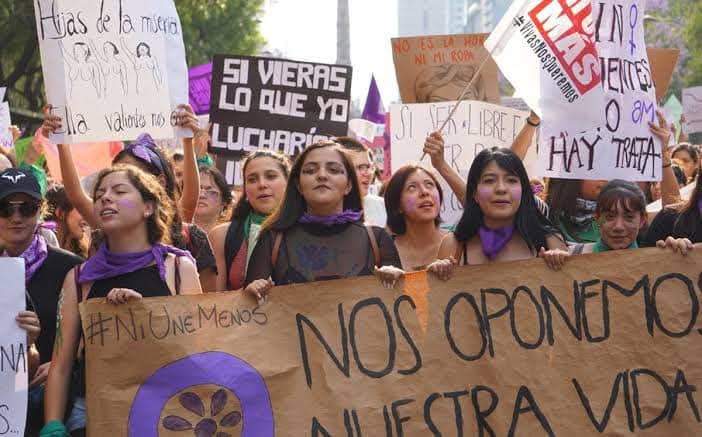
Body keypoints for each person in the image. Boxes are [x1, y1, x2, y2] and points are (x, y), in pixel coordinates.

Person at [41, 166, 202, 437]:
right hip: (95, 416)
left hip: (166, 415)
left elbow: (199, 351)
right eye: (100, 195)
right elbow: (61, 364)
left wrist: (143, 315)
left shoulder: (178, 269)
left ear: (148, 207)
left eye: (119, 191)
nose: (105, 198)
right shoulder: (79, 279)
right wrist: (53, 424)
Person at [43, 106, 217, 291]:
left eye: (124, 186)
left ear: (158, 184)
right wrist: (62, 142)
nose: (108, 197)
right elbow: (77, 196)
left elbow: (190, 198)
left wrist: (187, 141)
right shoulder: (107, 227)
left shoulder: (181, 243)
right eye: (104, 190)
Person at [244, 141, 402, 302]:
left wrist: (397, 279)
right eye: (310, 170)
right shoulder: (273, 240)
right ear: (298, 185)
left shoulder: (377, 239)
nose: (322, 175)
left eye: (333, 170)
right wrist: (253, 291)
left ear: (349, 185)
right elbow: (249, 309)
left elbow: (400, 306)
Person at [0, 168, 83, 434]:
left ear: (41, 210)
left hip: (49, 408)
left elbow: (91, 336)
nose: (16, 217)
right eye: (5, 208)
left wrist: (62, 364)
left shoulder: (71, 269)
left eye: (27, 208)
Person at [437, 147, 566, 265]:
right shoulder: (453, 245)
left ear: (524, 190)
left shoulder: (550, 242)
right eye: (489, 180)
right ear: (474, 193)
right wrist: (437, 273)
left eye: (511, 180)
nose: (501, 189)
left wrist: (558, 268)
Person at [541, 180, 693, 270]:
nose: (619, 226)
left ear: (642, 220)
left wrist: (678, 255)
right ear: (597, 219)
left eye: (629, 217)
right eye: (609, 217)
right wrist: (554, 263)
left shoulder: (658, 258)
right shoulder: (572, 257)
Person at [209, 151, 290, 291]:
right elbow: (215, 301)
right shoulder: (221, 236)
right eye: (252, 180)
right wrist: (244, 296)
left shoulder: (307, 231)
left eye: (271, 176)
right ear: (245, 190)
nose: (262, 184)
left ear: (289, 183)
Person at [384, 164, 452, 279]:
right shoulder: (384, 250)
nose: (424, 192)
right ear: (398, 205)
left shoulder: (458, 244)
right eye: (412, 188)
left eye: (429, 184)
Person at [335, 137, 387, 227]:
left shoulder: (382, 206)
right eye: (360, 167)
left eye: (369, 167)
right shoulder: (322, 208)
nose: (368, 174)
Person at [45, 185, 89, 258]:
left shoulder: (86, 254)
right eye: (80, 209)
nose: (87, 218)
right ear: (60, 212)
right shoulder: (38, 251)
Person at [194, 166, 233, 234]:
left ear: (224, 202)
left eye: (210, 191)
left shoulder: (231, 235)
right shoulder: (176, 232)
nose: (201, 195)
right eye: (197, 189)